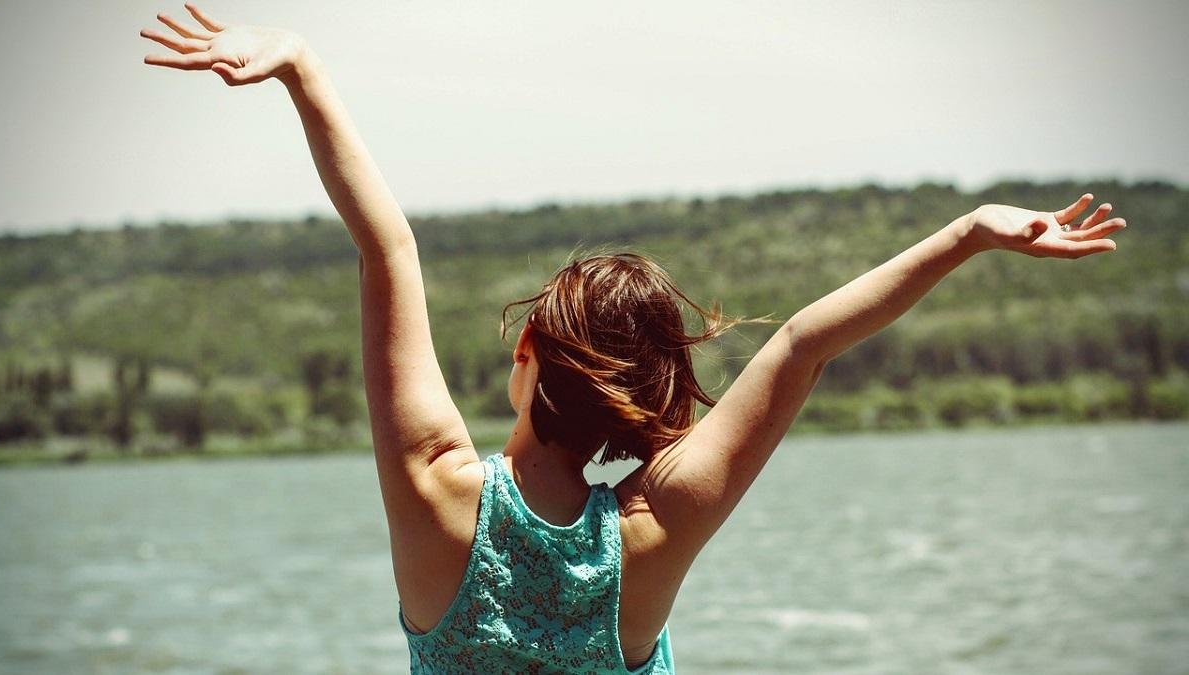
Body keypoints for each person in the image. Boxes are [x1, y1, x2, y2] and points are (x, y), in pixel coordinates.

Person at [141, 5, 1127, 673]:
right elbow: (800, 345)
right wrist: (969, 234)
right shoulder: (654, 532)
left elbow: (385, 246)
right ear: (655, 399)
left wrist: (305, 75)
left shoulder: (436, 492)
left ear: (526, 349)